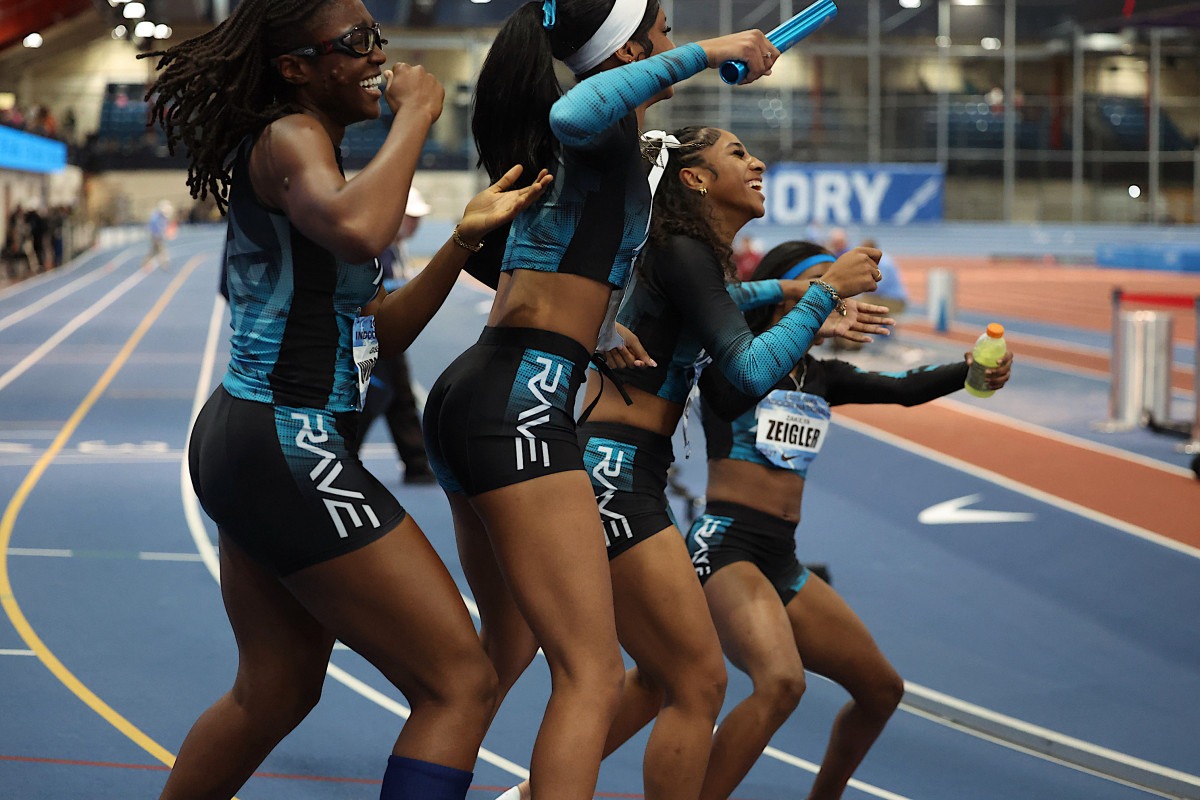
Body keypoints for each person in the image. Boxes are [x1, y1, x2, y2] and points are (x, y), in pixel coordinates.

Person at [141, 2, 552, 798]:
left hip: (251, 439)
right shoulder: (294, 137)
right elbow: (362, 230)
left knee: (277, 689)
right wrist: (419, 116)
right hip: (284, 439)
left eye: (376, 37)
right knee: (460, 682)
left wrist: (462, 239)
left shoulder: (310, 155)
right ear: (296, 67)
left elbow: (374, 335)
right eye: (354, 43)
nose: (377, 54)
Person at [420, 2, 781, 798]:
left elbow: (511, 260)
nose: (678, 42)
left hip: (479, 388)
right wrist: (709, 51)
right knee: (589, 675)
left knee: (492, 663)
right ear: (633, 47)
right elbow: (582, 99)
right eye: (666, 30)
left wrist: (598, 321)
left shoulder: (585, 145)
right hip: (524, 395)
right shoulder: (593, 125)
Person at [563, 126, 883, 800]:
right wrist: (821, 290)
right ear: (696, 180)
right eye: (738, 153)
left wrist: (787, 296)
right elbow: (746, 368)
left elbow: (724, 306)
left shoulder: (688, 257)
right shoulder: (682, 250)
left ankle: (538, 790)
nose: (758, 160)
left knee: (659, 675)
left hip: (624, 469)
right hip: (613, 471)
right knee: (695, 679)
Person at [685, 240, 1014, 800]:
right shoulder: (733, 365)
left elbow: (906, 390)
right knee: (781, 683)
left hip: (780, 557)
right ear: (787, 292)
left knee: (881, 689)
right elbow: (727, 359)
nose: (834, 295)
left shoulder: (823, 378)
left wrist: (970, 369)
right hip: (726, 548)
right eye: (819, 284)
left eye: (834, 285)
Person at [355, 186, 436, 484]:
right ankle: (346, 456)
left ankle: (416, 464)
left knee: (398, 396)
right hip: (370, 337)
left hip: (387, 334)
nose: (417, 224)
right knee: (376, 396)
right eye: (411, 217)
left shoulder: (396, 247)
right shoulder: (377, 250)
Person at [141, 200, 175, 272]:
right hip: (156, 236)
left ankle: (145, 262)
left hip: (159, 236)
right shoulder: (155, 217)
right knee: (161, 250)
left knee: (153, 251)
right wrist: (158, 234)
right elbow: (154, 227)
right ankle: (165, 264)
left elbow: (164, 227)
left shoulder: (163, 217)